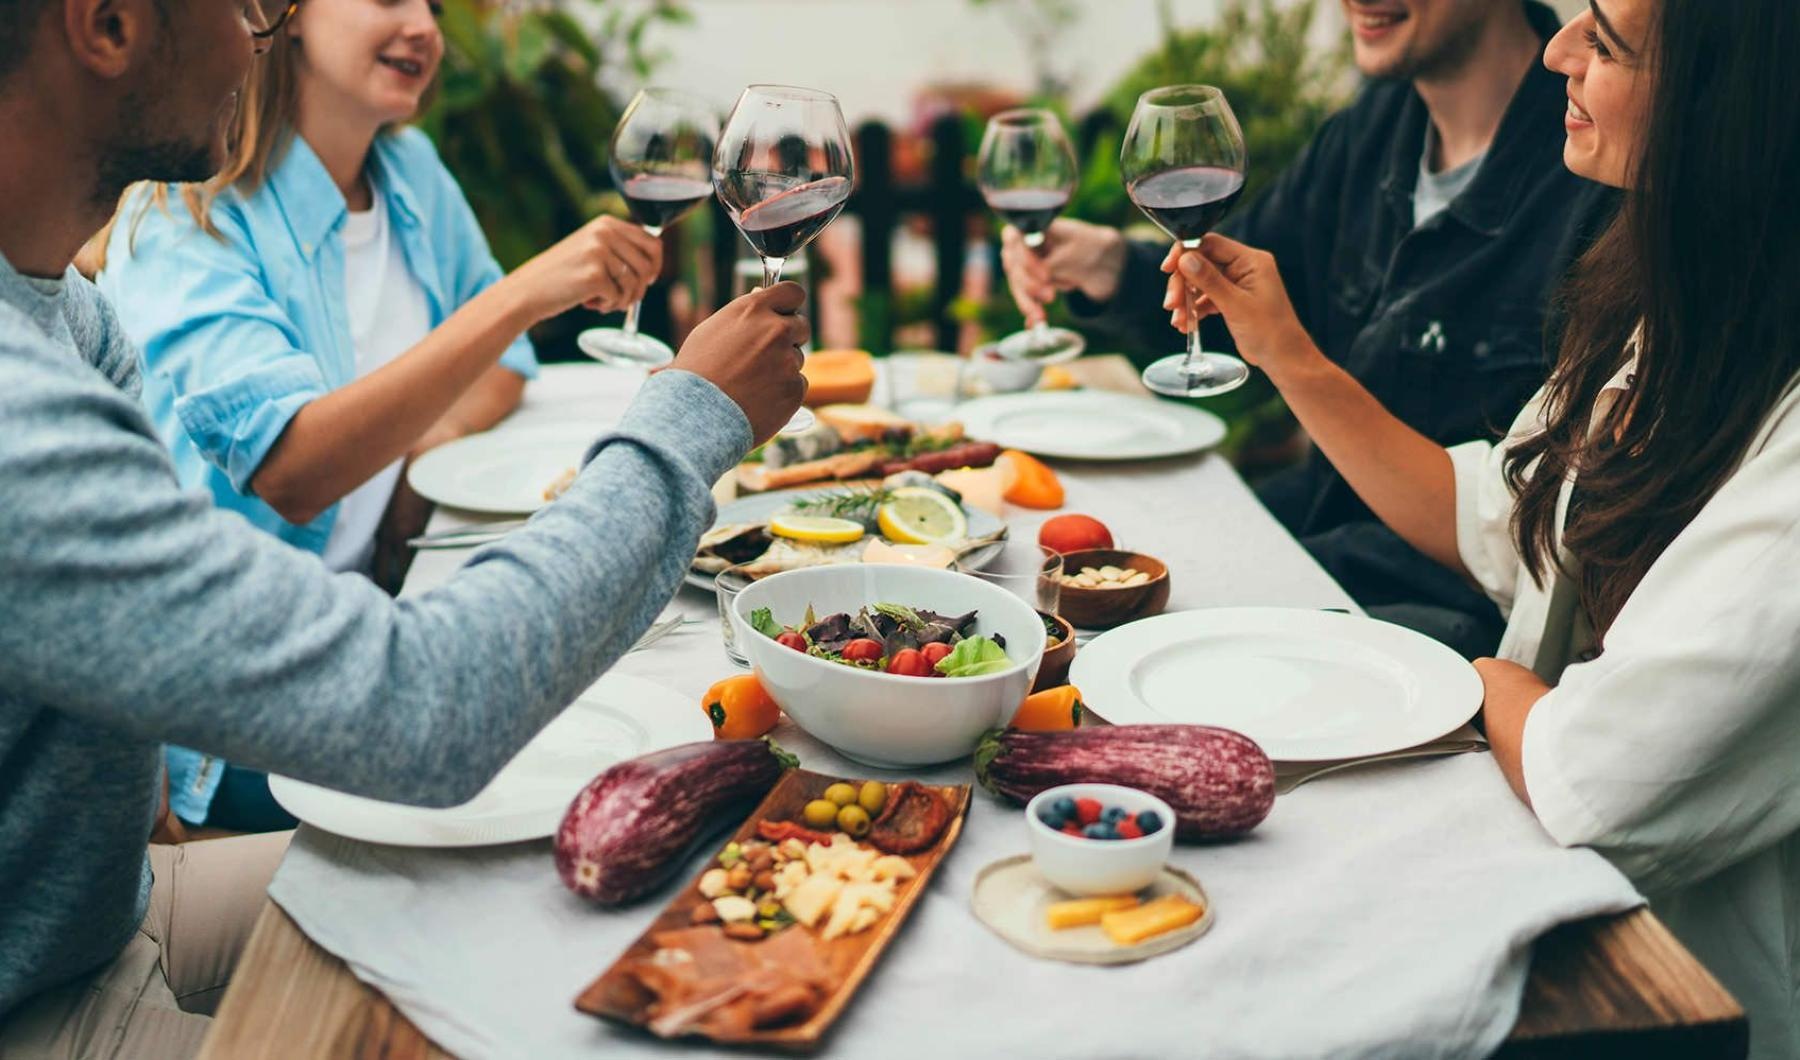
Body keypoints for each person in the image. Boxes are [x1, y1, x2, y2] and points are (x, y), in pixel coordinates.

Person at [0, 1, 807, 1055]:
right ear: (106, 24)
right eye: (247, 3)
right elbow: (422, 704)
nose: (259, 31)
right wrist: (691, 416)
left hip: (109, 918)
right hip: (42, 1002)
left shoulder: (64, 312)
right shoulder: (23, 414)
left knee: (608, 866)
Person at [1171, 0, 1800, 1054]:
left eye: (1602, 41)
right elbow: (1495, 520)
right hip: (1539, 888)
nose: (1556, 48)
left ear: (1718, 112)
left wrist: (1485, 679)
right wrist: (1285, 350)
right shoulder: (1674, 317)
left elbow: (1587, 774)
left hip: (1658, 998)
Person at [93, 0, 665, 833]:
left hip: (375, 625)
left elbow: (500, 367)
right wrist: (520, 294)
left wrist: (421, 449)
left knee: (620, 717)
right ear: (282, 14)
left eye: (431, 5)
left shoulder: (409, 171)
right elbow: (293, 471)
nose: (424, 27)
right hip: (243, 701)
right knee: (564, 776)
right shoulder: (186, 216)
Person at [1003, 0, 1616, 659]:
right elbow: (1243, 295)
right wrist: (1106, 263)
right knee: (1031, 579)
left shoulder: (1602, 176)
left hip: (1438, 632)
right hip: (1314, 545)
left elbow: (1549, 538)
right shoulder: (1370, 130)